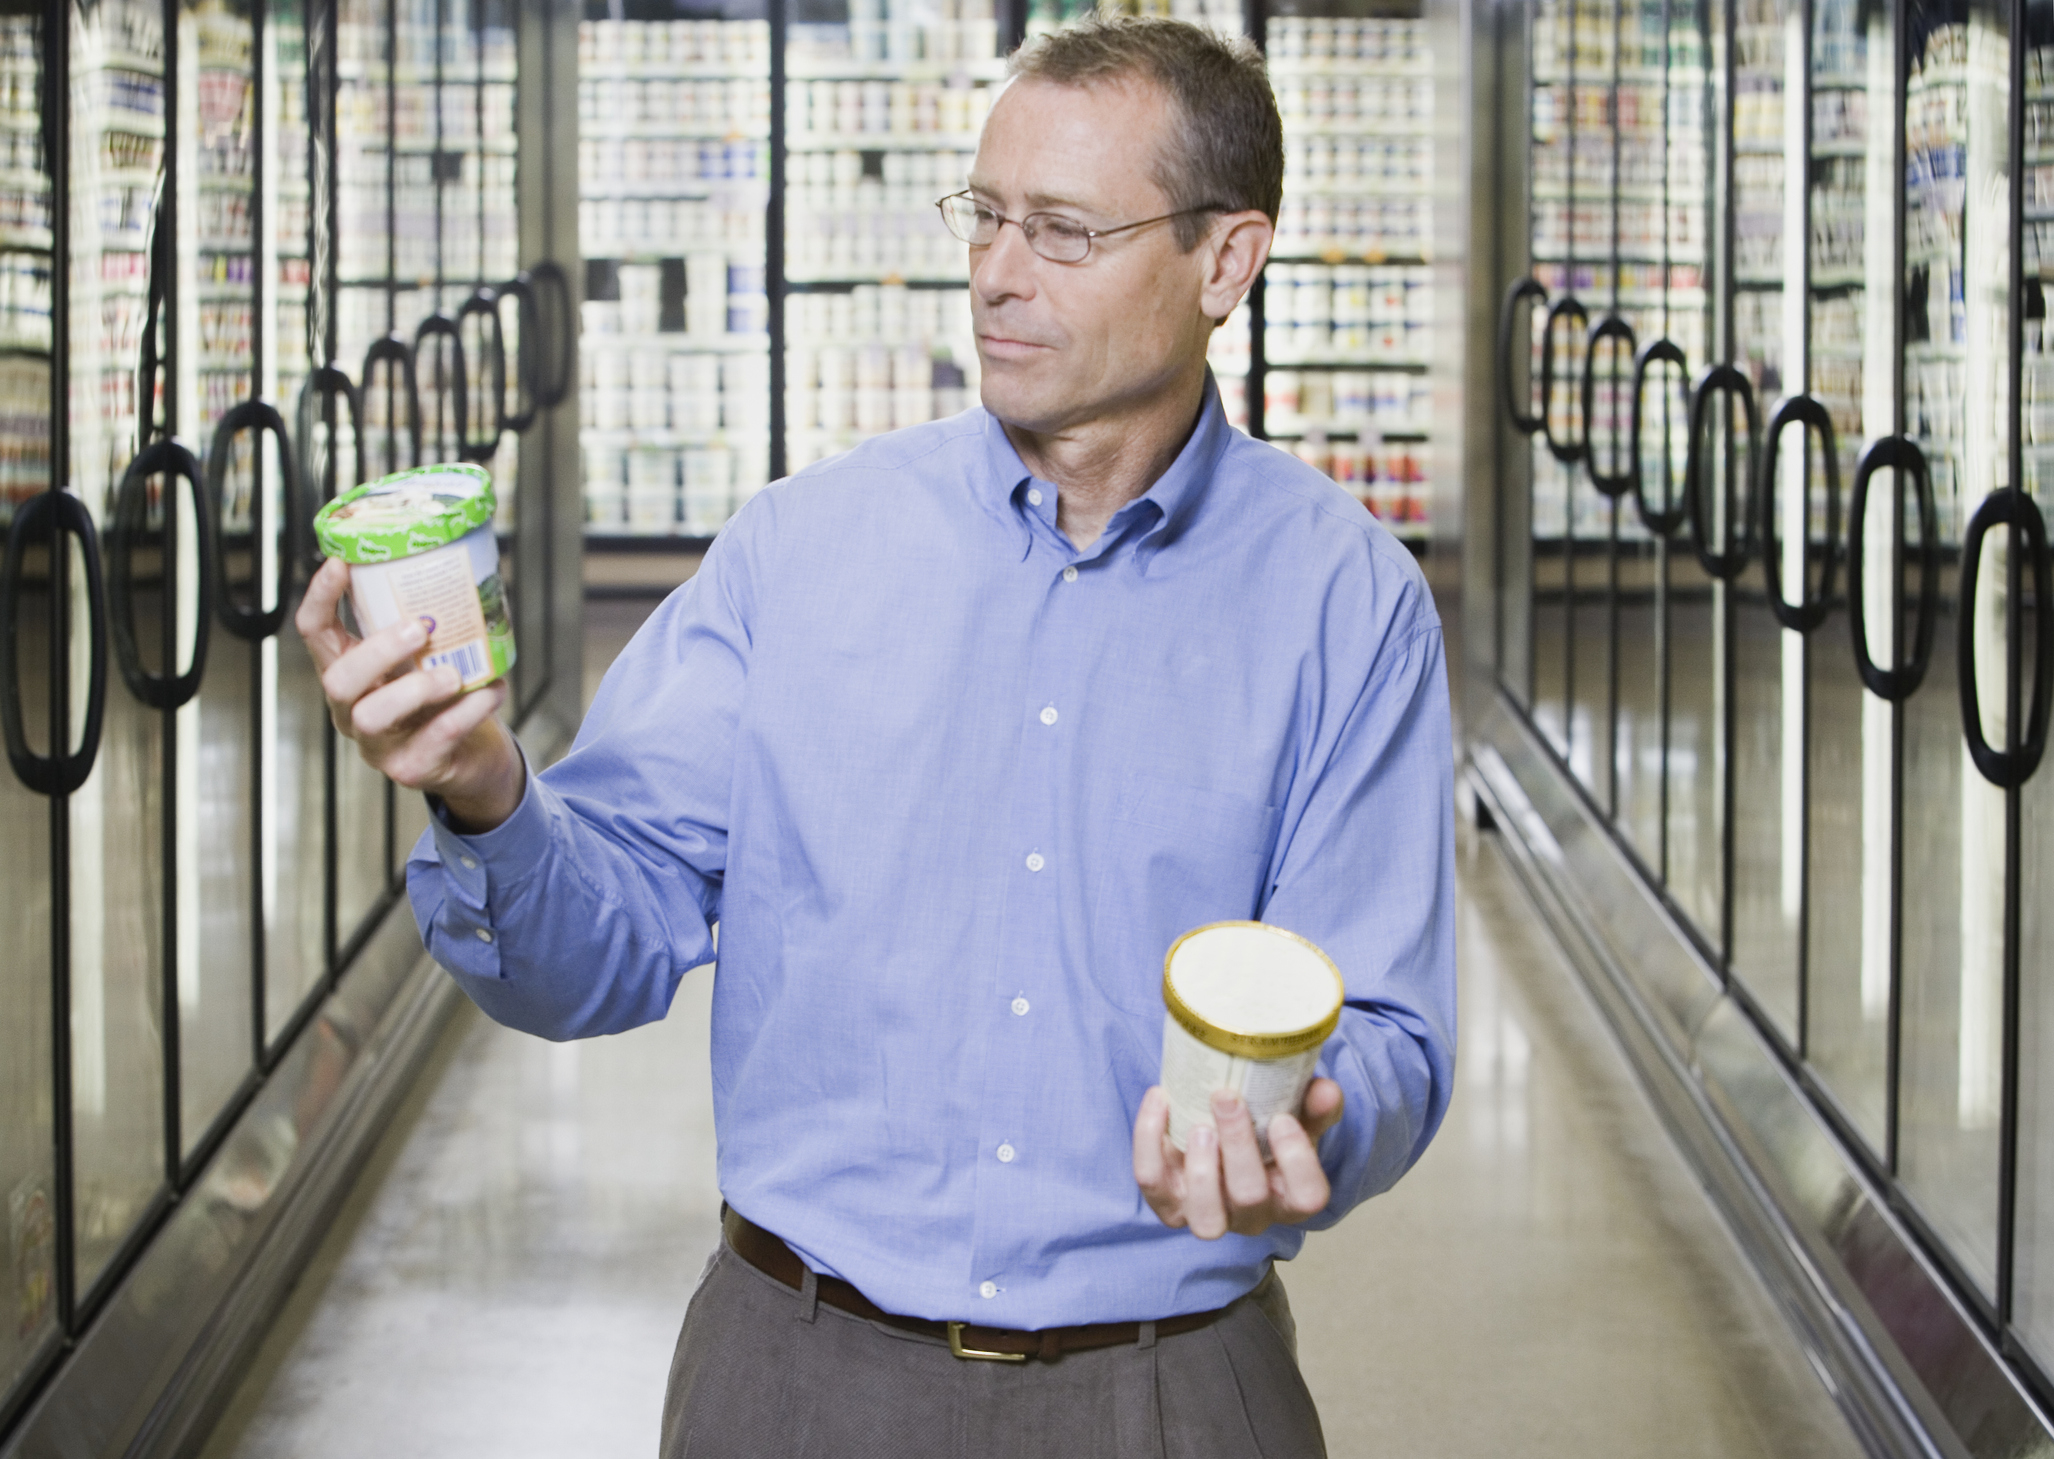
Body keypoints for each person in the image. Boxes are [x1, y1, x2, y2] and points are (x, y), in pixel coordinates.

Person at [298, 16, 1455, 1457]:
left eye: (1065, 231)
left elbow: (1393, 1032)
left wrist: (1303, 1137)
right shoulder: (802, 552)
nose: (995, 274)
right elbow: (586, 957)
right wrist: (484, 793)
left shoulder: (1344, 603)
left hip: (1170, 1391)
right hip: (795, 1376)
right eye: (984, 215)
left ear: (1224, 262)